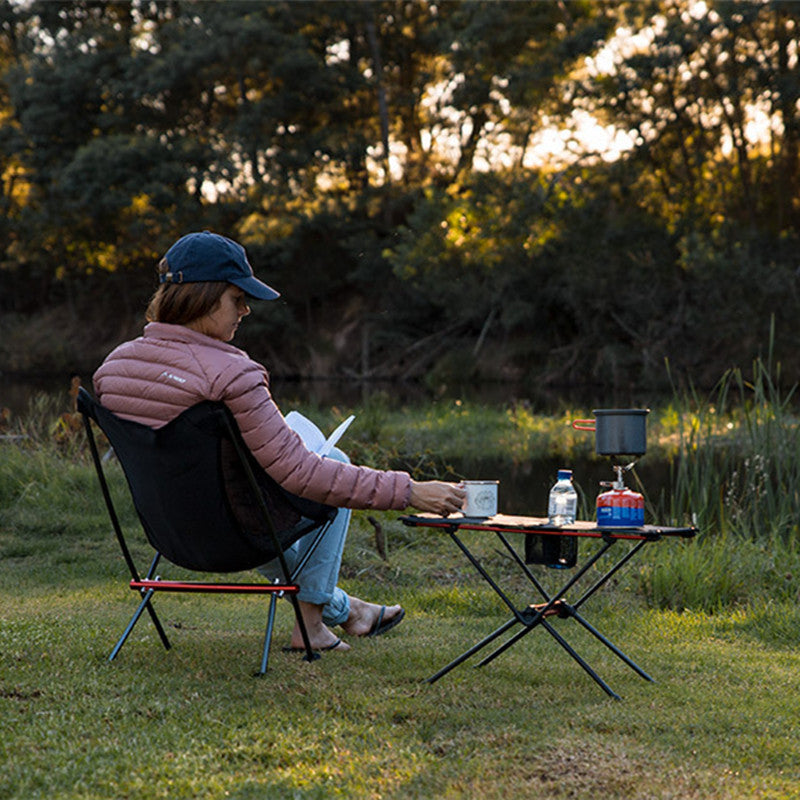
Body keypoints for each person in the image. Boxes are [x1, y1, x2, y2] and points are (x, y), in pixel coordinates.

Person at [93, 230, 466, 653]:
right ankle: (310, 627)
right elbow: (305, 474)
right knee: (332, 463)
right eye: (237, 298)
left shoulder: (113, 369)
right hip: (233, 538)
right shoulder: (233, 374)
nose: (246, 310)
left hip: (166, 533)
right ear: (205, 296)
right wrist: (411, 491)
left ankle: (346, 610)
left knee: (270, 490)